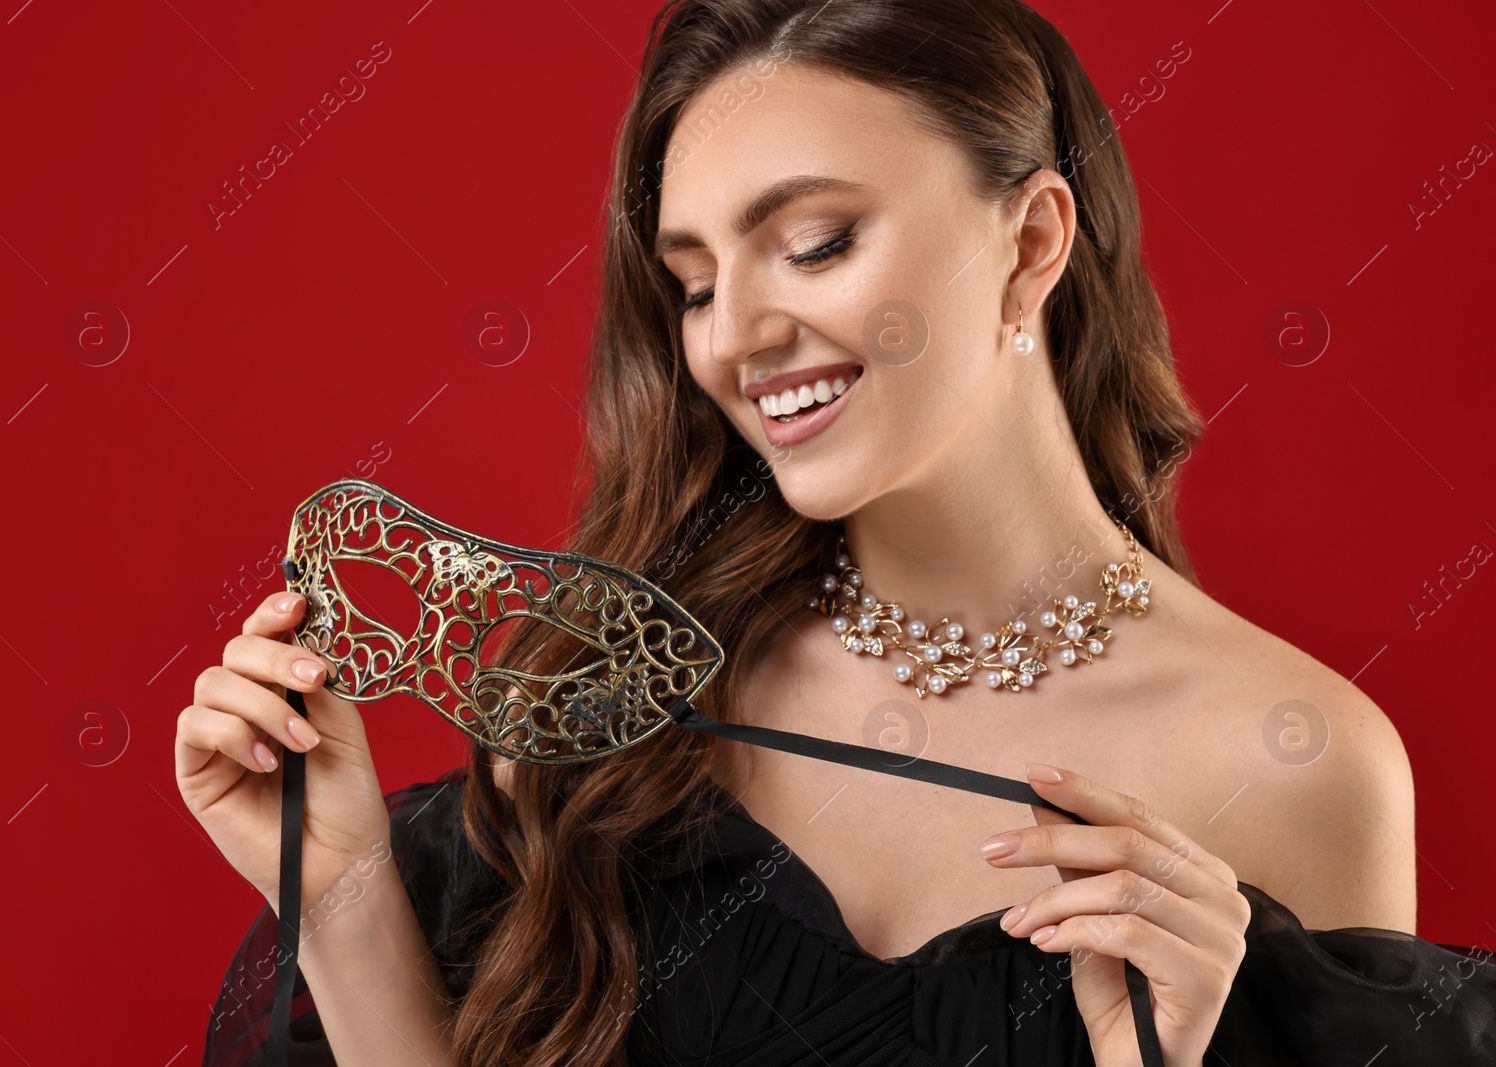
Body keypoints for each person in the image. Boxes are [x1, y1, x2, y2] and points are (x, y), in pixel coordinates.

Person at [178, 1, 1496, 1064]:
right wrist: (340, 883)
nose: (733, 337)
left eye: (813, 244)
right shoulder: (617, 693)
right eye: (692, 284)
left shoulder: (1302, 765)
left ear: (1032, 239)